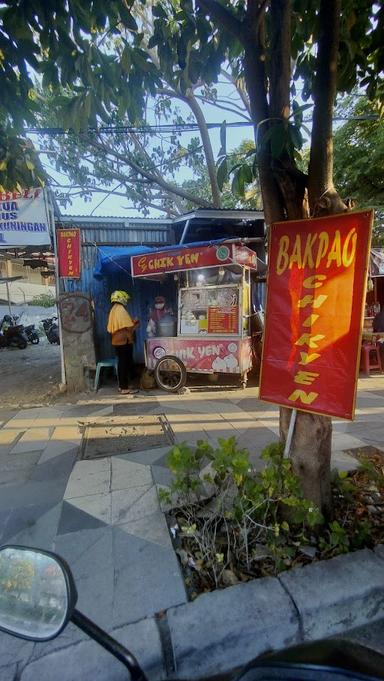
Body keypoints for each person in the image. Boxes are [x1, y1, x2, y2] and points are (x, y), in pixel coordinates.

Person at [107, 290, 139, 394]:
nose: (126, 301)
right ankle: (124, 388)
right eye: (125, 299)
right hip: (123, 341)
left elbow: (121, 325)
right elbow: (128, 327)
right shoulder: (121, 310)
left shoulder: (114, 309)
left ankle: (122, 386)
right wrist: (136, 323)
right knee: (124, 364)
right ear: (121, 298)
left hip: (117, 341)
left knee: (123, 363)